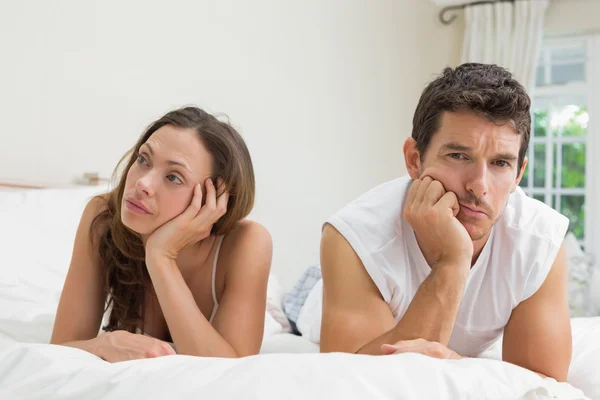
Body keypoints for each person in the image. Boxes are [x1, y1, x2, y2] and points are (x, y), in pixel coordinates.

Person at [319, 63, 572, 381]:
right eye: (459, 156)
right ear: (414, 159)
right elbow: (352, 381)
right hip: (320, 299)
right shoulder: (353, 237)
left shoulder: (539, 241)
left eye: (500, 163)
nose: (479, 185)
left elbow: (542, 384)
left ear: (518, 174)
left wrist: (457, 363)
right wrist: (453, 260)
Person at [51, 106, 273, 361]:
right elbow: (60, 349)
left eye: (174, 177)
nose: (142, 183)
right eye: (143, 159)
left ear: (213, 199)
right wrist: (102, 345)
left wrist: (161, 256)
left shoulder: (248, 243)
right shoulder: (103, 218)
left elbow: (228, 375)